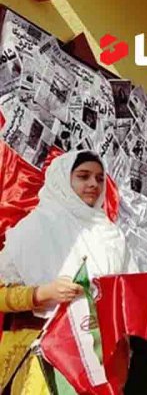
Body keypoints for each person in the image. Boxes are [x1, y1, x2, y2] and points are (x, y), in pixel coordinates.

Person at [0, 151, 138, 393]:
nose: (93, 184)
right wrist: (43, 293)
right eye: (83, 176)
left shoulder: (113, 237)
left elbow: (130, 295)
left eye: (99, 178)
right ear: (63, 179)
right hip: (42, 361)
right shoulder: (34, 228)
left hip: (98, 361)